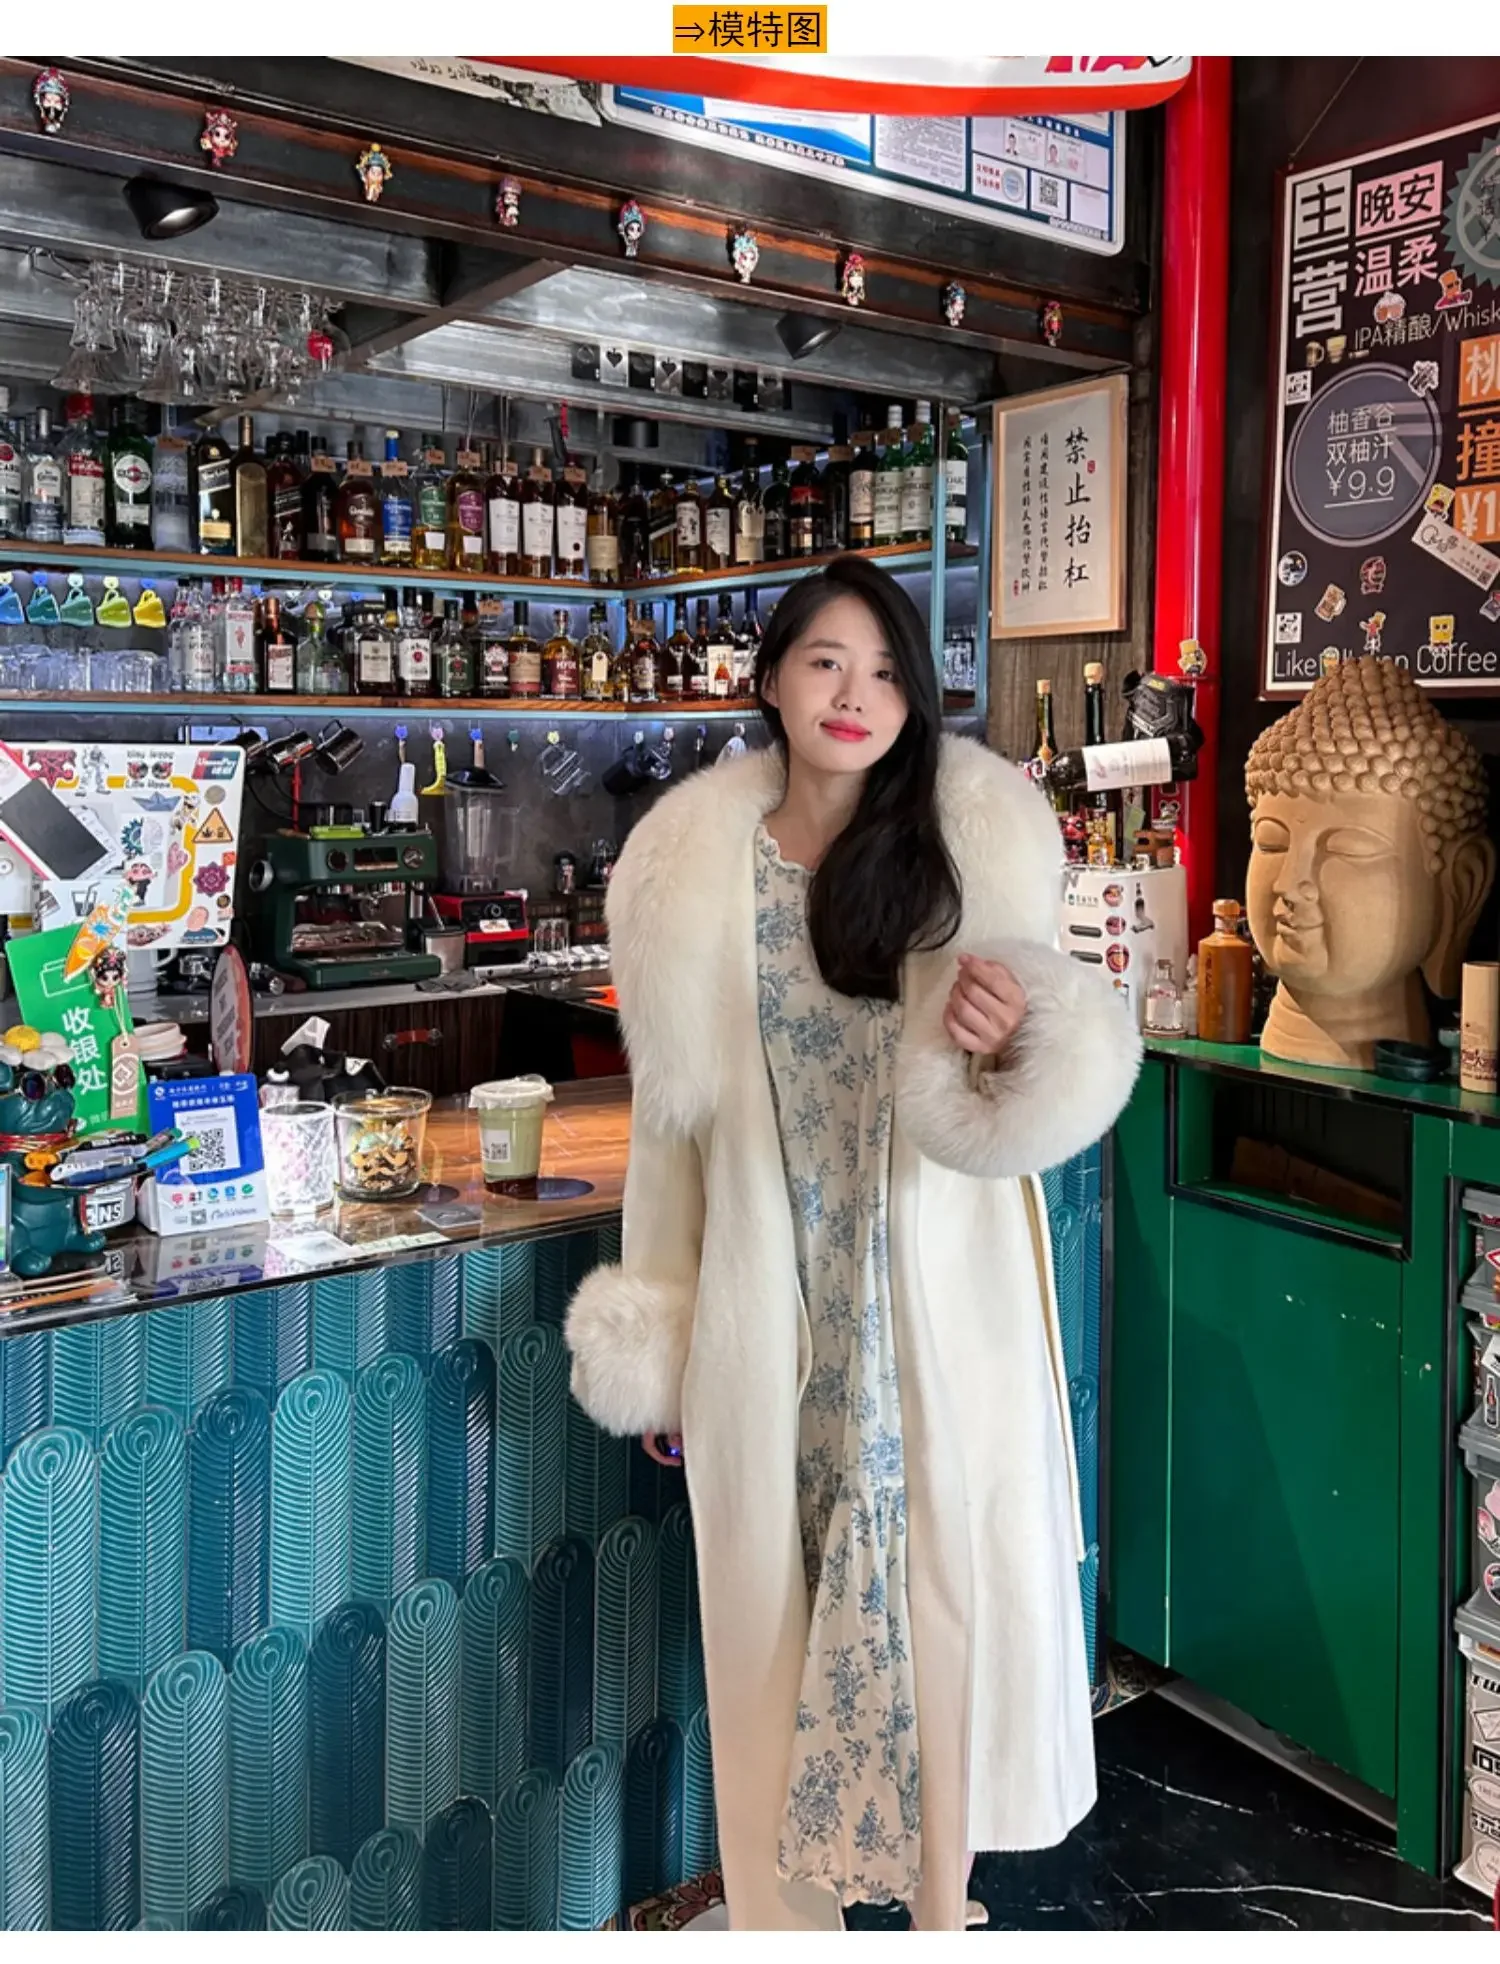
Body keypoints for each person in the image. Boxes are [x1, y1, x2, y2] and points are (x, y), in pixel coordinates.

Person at [565, 555, 1141, 1932]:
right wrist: (665, 1334)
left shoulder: (974, 843)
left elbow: (1041, 1088)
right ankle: (792, 1923)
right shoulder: (687, 872)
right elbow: (672, 1130)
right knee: (783, 1606)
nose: (854, 693)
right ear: (770, 677)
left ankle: (941, 1909)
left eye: (885, 670)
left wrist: (1019, 1045)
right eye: (825, 661)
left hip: (934, 1288)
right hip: (771, 1291)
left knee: (939, 1589)